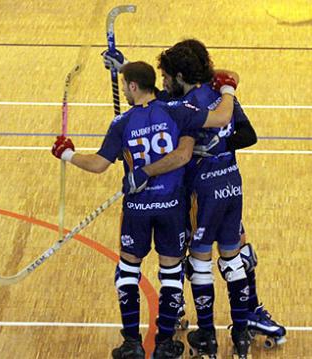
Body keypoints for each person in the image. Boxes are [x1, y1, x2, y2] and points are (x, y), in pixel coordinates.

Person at [103, 39, 286, 355]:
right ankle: (221, 318)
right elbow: (154, 98)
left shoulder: (191, 104)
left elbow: (247, 135)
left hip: (198, 190)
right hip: (223, 186)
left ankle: (238, 315)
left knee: (209, 255)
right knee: (225, 252)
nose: (162, 83)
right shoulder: (208, 97)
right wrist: (124, 68)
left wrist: (208, 150)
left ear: (177, 75)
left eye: (166, 77)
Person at [51, 61, 237, 359]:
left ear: (134, 87)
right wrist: (228, 88)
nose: (123, 90)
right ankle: (164, 343)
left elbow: (98, 164)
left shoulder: (121, 124)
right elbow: (213, 125)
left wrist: (68, 154)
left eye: (124, 85)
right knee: (171, 273)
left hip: (137, 209)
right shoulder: (178, 111)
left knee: (127, 271)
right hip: (172, 208)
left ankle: (131, 343)